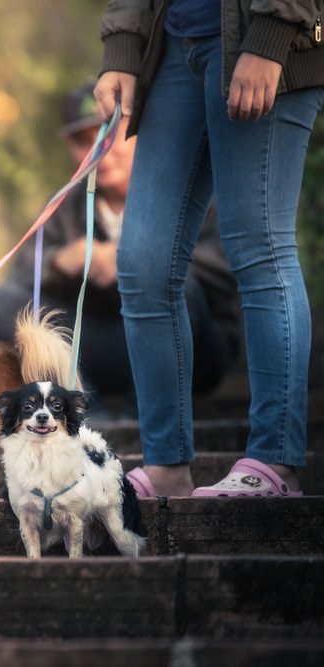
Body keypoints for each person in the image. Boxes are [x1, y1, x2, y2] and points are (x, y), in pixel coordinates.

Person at [95, 0, 324, 497]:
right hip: (173, 41)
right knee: (143, 266)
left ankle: (274, 460)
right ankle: (166, 467)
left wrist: (271, 33)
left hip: (256, 35)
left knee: (260, 248)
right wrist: (122, 46)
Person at [0, 82, 241, 415]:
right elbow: (22, 276)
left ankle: (151, 413)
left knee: (180, 288)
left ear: (140, 132)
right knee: (2, 303)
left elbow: (221, 271)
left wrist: (132, 263)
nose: (99, 150)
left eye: (109, 134)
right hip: (102, 346)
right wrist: (60, 261)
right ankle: (80, 400)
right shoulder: (66, 206)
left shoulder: (190, 194)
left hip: (188, 349)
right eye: (83, 141)